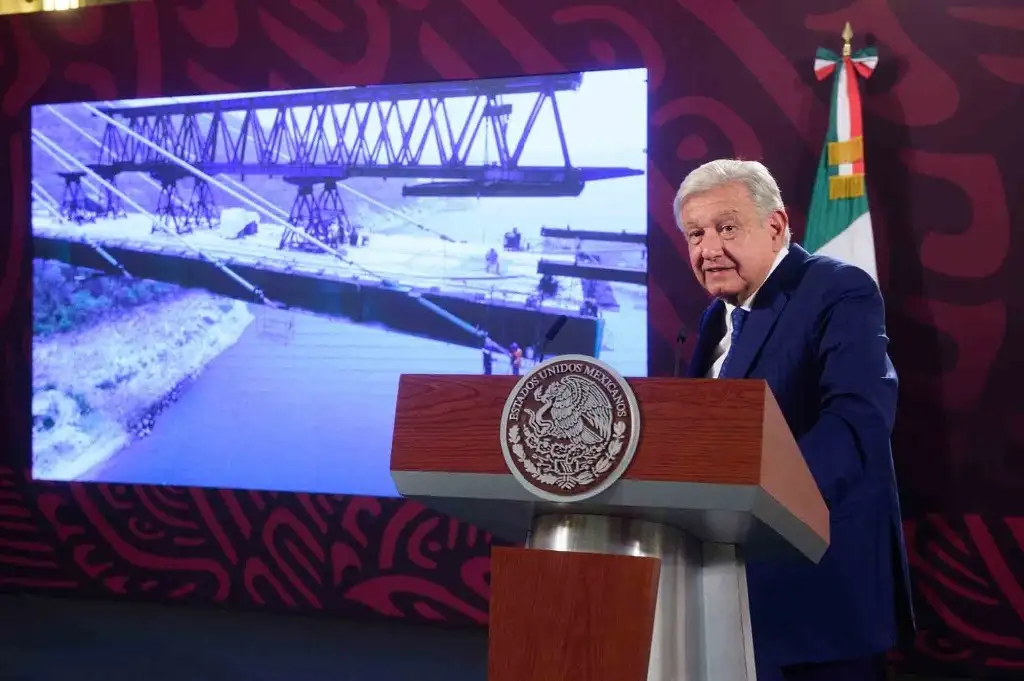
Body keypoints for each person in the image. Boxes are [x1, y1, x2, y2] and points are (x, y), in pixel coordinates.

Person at [675, 159, 913, 681]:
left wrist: (757, 503)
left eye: (726, 228)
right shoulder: (715, 318)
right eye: (695, 234)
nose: (708, 249)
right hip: (726, 592)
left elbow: (857, 423)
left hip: (817, 596)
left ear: (776, 225)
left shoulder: (838, 289)